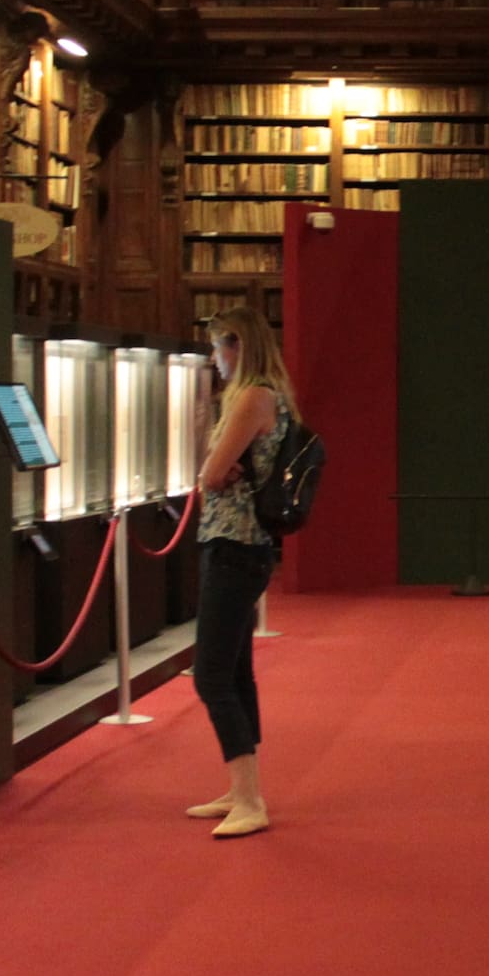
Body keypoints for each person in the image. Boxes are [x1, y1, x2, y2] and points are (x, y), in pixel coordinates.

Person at [186, 306, 297, 837]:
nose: (214, 358)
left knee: (210, 674)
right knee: (233, 671)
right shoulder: (267, 395)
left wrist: (216, 469)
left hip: (235, 544)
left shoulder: (252, 396)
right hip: (243, 545)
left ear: (236, 345)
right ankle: (241, 787)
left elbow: (209, 473)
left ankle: (250, 798)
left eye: (216, 347)